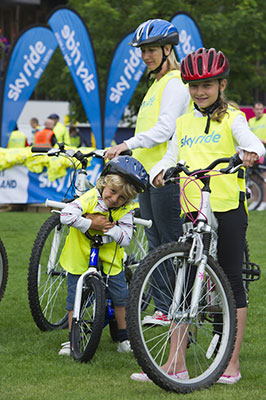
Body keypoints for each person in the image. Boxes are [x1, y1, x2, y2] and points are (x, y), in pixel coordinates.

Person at [131, 48, 265, 384]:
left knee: (232, 282)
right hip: (193, 208)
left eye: (207, 85)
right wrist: (159, 171)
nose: (200, 91)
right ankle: (175, 364)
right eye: (193, 86)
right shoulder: (182, 122)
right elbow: (169, 157)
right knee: (184, 280)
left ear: (221, 84)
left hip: (227, 206)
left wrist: (252, 152)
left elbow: (252, 143)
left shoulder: (233, 117)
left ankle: (230, 366)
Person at [105, 19, 191, 326]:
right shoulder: (155, 83)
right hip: (148, 176)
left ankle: (174, 308)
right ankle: (164, 307)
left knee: (168, 243)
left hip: (167, 176)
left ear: (168, 49)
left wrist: (125, 144)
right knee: (156, 243)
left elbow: (166, 129)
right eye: (143, 51)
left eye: (152, 50)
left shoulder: (176, 82)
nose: (146, 56)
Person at [58, 155, 148, 356]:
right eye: (113, 192)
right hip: (80, 256)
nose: (115, 199)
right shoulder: (90, 198)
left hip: (110, 258)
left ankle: (124, 338)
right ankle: (74, 339)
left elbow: (125, 238)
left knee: (121, 298)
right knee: (75, 300)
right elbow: (66, 215)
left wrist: (110, 229)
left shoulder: (124, 210)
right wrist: (91, 224)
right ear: (104, 183)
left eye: (122, 198)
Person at [248, 102, 266, 210]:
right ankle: (256, 200)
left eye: (261, 109)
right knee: (253, 176)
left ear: (263, 110)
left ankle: (264, 201)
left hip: (264, 151)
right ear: (253, 110)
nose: (259, 111)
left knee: (263, 177)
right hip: (254, 152)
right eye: (257, 109)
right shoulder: (251, 121)